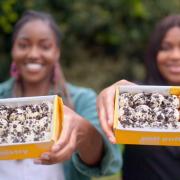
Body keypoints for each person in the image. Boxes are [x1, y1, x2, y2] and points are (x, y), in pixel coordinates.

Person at [0, 10, 122, 180]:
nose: (33, 54)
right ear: (13, 49)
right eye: (24, 45)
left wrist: (83, 132)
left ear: (57, 52)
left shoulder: (82, 100)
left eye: (45, 46)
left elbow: (109, 163)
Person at [97, 14, 180, 180]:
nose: (175, 56)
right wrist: (111, 97)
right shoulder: (136, 97)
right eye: (165, 47)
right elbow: (102, 152)